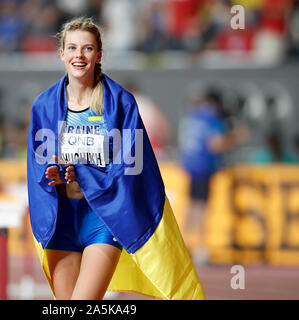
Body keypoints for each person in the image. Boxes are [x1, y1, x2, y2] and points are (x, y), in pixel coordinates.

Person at [27, 17, 205, 300]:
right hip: (61, 219)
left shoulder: (121, 103)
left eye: (87, 48)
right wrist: (54, 173)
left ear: (99, 55)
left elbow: (132, 167)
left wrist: (82, 173)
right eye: (72, 48)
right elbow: (38, 165)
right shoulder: (44, 105)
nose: (79, 55)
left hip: (103, 219)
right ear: (61, 54)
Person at [179, 87, 249, 265]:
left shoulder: (194, 115)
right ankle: (200, 247)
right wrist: (235, 137)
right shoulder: (212, 117)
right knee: (201, 208)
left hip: (191, 163)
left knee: (193, 206)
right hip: (204, 165)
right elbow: (216, 145)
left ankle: (184, 244)